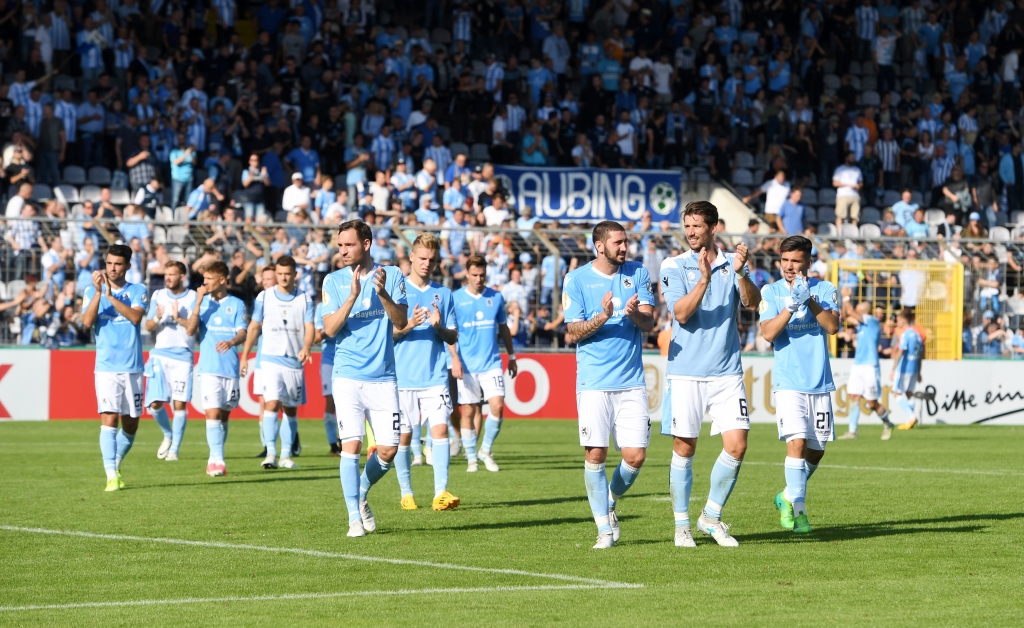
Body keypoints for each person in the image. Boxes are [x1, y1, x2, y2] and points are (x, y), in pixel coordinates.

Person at [659, 201, 761, 548]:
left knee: (738, 444)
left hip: (726, 372)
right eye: (686, 226)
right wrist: (704, 279)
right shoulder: (673, 265)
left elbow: (751, 303)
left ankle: (711, 517)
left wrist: (742, 272)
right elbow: (682, 314)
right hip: (686, 371)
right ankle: (682, 525)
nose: (689, 232)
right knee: (684, 447)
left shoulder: (733, 263)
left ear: (713, 227)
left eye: (696, 226)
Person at [562, 221, 656, 549]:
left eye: (626, 242)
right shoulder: (576, 279)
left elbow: (649, 322)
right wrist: (602, 317)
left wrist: (633, 315)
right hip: (594, 382)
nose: (624, 247)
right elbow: (572, 331)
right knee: (596, 453)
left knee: (635, 456)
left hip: (630, 381)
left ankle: (610, 500)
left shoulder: (638, 272)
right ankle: (603, 529)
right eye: (618, 242)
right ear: (599, 246)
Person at [320, 220, 409, 538]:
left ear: (367, 244)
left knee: (388, 450)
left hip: (384, 377)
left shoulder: (393, 275)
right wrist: (352, 297)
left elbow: (401, 322)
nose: (342, 251)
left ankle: (359, 492)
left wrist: (382, 293)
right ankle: (353, 517)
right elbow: (329, 330)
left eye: (348, 245)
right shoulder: (332, 281)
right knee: (352, 446)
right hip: (347, 377)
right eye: (340, 245)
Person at [759, 235, 841, 535]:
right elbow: (768, 333)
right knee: (795, 444)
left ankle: (785, 496)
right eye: (785, 261)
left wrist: (810, 300)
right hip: (789, 382)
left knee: (816, 450)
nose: (789, 267)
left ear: (808, 261)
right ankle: (800, 511)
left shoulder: (826, 288)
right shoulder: (771, 291)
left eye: (795, 261)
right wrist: (792, 306)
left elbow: (832, 327)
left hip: (819, 382)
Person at [392, 234, 461, 511]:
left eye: (432, 260)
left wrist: (438, 327)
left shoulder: (444, 295)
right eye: (422, 258)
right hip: (402, 378)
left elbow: (453, 337)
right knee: (405, 436)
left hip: (434, 377)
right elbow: (388, 336)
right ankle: (406, 492)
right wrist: (408, 326)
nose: (426, 264)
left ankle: (440, 492)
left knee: (441, 429)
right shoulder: (398, 292)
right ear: (411, 257)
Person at [80, 244, 148, 492]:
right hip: (106, 368)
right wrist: (99, 293)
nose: (112, 268)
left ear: (128, 266)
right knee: (108, 419)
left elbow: (136, 317)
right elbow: (87, 322)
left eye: (118, 264)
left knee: (131, 424)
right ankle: (110, 475)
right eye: (109, 263)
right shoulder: (91, 291)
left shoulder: (138, 290)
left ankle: (116, 463)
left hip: (133, 368)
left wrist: (110, 296)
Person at [240, 256, 314, 470]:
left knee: (290, 409)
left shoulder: (305, 299)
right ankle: (270, 453)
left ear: (294, 274)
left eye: (287, 274)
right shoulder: (265, 297)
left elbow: (309, 326)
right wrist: (245, 356)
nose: (282, 277)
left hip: (294, 361)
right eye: (280, 273)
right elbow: (254, 327)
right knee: (271, 403)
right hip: (270, 360)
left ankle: (285, 455)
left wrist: (307, 346)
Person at [453, 255, 518, 473]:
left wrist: (512, 356)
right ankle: (471, 458)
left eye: (482, 275)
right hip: (467, 365)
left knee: (498, 406)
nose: (479, 279)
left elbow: (504, 329)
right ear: (467, 274)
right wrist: (454, 359)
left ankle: (485, 450)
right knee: (469, 412)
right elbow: (450, 333)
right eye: (474, 275)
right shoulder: (456, 298)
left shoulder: (496, 297)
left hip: (491, 363)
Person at [184, 261, 248, 478]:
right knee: (211, 414)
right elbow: (190, 330)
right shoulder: (201, 303)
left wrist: (231, 342)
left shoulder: (237, 304)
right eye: (204, 279)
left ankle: (214, 456)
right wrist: (198, 303)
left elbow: (243, 332)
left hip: (230, 368)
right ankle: (219, 460)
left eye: (209, 279)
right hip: (209, 368)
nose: (205, 283)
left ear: (222, 280)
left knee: (223, 417)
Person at [143, 261, 198, 461]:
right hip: (159, 354)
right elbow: (148, 326)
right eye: (166, 274)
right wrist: (157, 318)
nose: (167, 278)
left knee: (180, 404)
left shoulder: (193, 297)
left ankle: (174, 449)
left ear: (182, 276)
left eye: (172, 274)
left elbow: (194, 328)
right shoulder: (158, 295)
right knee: (155, 404)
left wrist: (179, 318)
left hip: (183, 356)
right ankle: (168, 434)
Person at [839, 301, 894, 441]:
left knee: (872, 403)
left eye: (857, 310)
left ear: (863, 311)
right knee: (853, 397)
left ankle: (888, 423)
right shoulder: (861, 324)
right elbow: (846, 315)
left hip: (870, 366)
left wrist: (846, 297)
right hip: (858, 365)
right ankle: (852, 431)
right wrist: (846, 304)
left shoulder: (873, 322)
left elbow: (850, 312)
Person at [314, 285, 341, 456]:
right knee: (330, 402)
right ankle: (333, 444)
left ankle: (347, 441)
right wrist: (330, 328)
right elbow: (316, 337)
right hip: (329, 360)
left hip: (349, 359)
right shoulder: (321, 307)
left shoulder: (349, 302)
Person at [891, 309, 924, 430]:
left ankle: (911, 416)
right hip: (914, 368)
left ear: (903, 320)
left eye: (898, 319)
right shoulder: (917, 335)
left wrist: (893, 369)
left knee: (896, 393)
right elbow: (921, 355)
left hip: (904, 368)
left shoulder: (906, 334)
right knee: (909, 393)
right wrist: (919, 371)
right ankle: (910, 420)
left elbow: (900, 352)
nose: (897, 322)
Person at [833, 152, 863, 228]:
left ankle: (853, 235)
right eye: (851, 157)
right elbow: (834, 183)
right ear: (846, 158)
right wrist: (848, 185)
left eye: (853, 157)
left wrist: (858, 186)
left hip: (855, 195)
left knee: (855, 216)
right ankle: (839, 235)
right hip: (843, 195)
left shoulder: (857, 170)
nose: (853, 159)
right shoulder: (840, 169)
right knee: (840, 215)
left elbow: (861, 182)